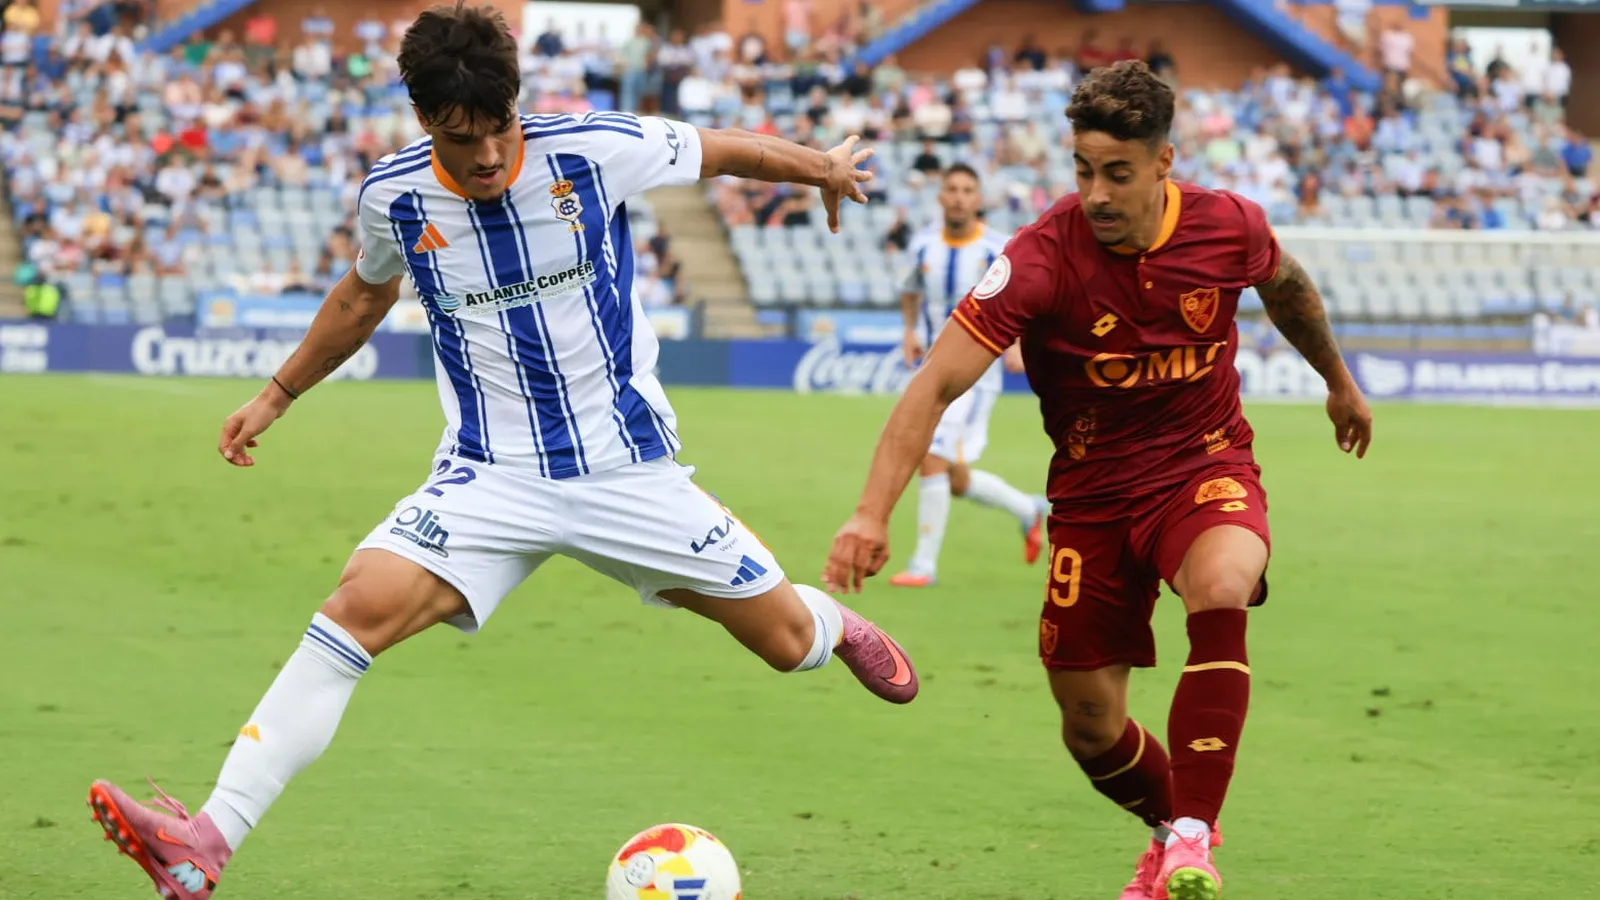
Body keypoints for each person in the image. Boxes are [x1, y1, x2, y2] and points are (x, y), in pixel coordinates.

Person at [86, 6, 919, 899]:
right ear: (424, 122)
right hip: (490, 477)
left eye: (496, 131)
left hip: (627, 469)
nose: (484, 156)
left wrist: (822, 167)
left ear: (515, 107)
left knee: (788, 644)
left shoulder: (595, 148)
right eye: (458, 137)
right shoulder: (394, 197)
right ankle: (205, 842)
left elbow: (724, 148)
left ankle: (833, 624)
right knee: (352, 611)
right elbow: (362, 299)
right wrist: (277, 394)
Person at [824, 61, 1372, 900]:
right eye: (1083, 171)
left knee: (1223, 581)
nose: (1098, 193)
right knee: (1090, 727)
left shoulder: (1227, 225)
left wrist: (1337, 378)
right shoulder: (1040, 258)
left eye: (1118, 172)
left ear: (1164, 162)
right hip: (1091, 497)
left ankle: (1192, 837)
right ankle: (1167, 834)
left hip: (1204, 462)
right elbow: (932, 384)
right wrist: (870, 513)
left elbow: (1286, 287)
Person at [891, 162, 1047, 588]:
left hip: (978, 376)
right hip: (931, 371)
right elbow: (909, 289)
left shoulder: (997, 248)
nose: (959, 196)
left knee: (931, 455)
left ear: (978, 200)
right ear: (941, 196)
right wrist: (909, 330)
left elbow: (1023, 300)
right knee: (953, 477)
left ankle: (923, 566)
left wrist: (1016, 344)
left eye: (967, 190)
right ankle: (1026, 508)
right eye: (952, 189)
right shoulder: (922, 245)